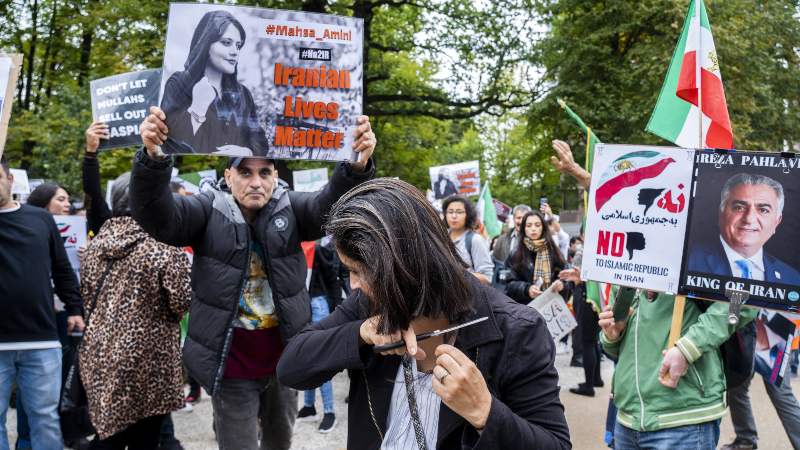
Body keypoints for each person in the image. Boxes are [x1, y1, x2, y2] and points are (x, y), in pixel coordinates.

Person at [131, 105, 376, 449]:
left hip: (285, 361)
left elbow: (331, 206)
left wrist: (356, 165)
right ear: (228, 177)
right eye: (245, 172)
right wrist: (153, 157)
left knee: (279, 442)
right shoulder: (207, 209)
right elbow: (159, 217)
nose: (256, 182)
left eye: (265, 172)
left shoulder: (291, 208)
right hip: (230, 364)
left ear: (276, 176)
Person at [276, 178, 571, 449]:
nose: (353, 285)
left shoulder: (517, 329)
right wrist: (360, 333)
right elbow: (292, 367)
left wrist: (485, 413)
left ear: (404, 266)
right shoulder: (367, 305)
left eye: (359, 272)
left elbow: (554, 444)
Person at [83, 122, 187, 450]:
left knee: (109, 436)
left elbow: (86, 296)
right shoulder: (163, 245)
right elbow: (182, 301)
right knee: (145, 442)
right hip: (149, 364)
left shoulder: (97, 244)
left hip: (100, 356)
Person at [599, 289, 757, 449]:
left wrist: (689, 347)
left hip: (684, 418)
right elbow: (616, 346)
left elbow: (745, 299)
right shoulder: (624, 266)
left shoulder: (700, 262)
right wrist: (612, 335)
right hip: (627, 419)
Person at [0, 159, 84, 450]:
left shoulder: (40, 219)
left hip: (41, 338)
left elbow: (62, 268)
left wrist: (74, 308)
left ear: (10, 179)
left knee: (45, 418)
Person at [160, 10, 268, 156]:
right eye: (226, 43)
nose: (235, 51)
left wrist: (247, 151)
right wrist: (197, 108)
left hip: (238, 173)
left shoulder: (243, 94)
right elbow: (169, 143)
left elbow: (259, 141)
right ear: (206, 43)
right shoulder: (179, 84)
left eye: (238, 45)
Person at [687, 173, 800, 284]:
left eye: (763, 210)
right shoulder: (688, 261)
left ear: (776, 222)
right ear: (721, 214)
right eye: (739, 207)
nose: (749, 219)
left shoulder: (792, 279)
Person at [297, 236, 342, 433]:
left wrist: (336, 312)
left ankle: (329, 411)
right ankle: (309, 406)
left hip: (319, 305)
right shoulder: (293, 248)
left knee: (320, 359)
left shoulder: (319, 249)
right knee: (305, 357)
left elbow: (333, 281)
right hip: (300, 305)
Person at [504, 211, 565, 303]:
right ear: (524, 229)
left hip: (551, 305)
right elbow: (508, 284)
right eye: (529, 225)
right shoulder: (516, 254)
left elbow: (566, 275)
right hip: (526, 308)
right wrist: (526, 289)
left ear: (543, 228)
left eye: (537, 225)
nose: (533, 229)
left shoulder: (554, 251)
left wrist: (562, 284)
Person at [442, 195, 494, 284]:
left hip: (468, 295)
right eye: (450, 212)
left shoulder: (476, 240)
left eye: (459, 212)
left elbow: (487, 278)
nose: (454, 216)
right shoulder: (440, 237)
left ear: (468, 214)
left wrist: (457, 274)